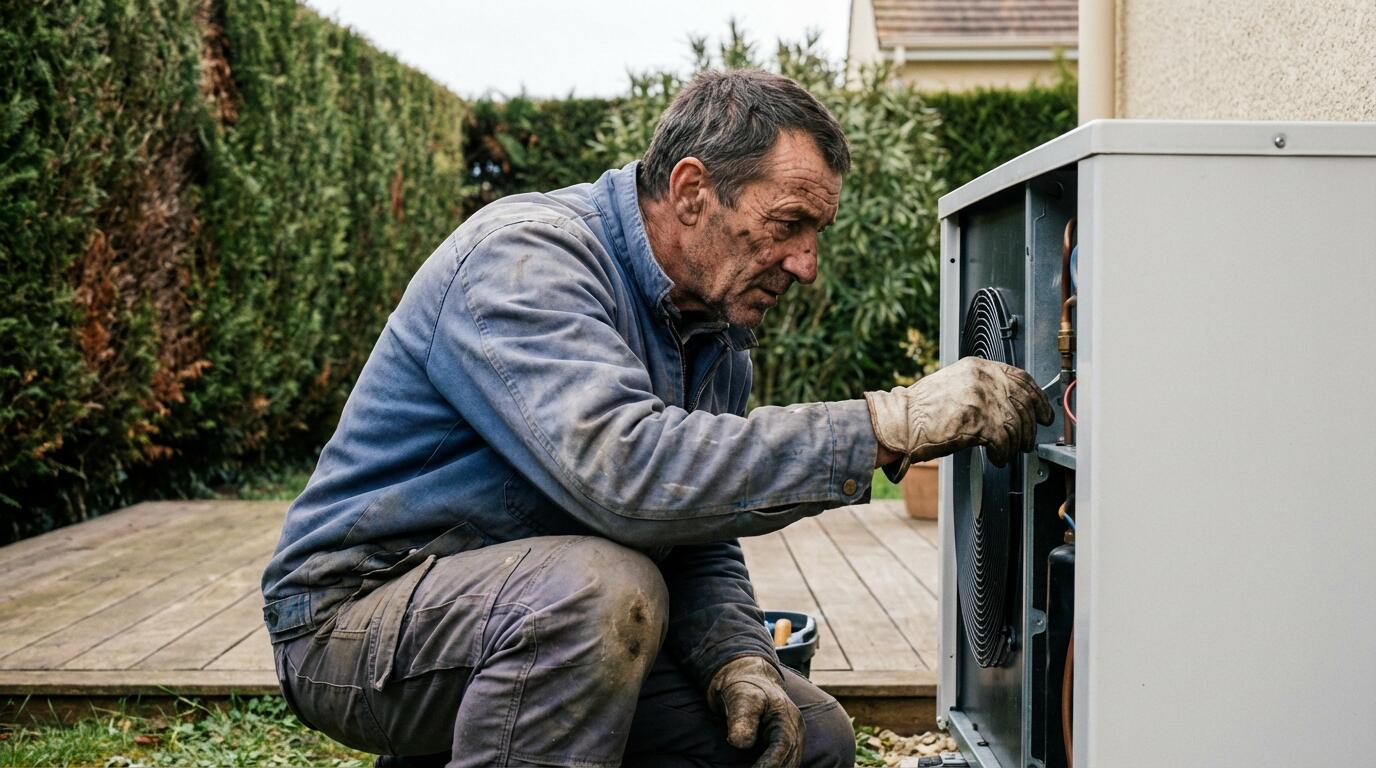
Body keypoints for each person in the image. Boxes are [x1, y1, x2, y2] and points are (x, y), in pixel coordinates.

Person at [260, 69, 1051, 768]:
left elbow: (692, 529)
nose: (807, 264)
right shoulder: (525, 262)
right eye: (789, 225)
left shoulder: (715, 336)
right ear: (691, 189)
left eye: (818, 234)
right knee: (598, 590)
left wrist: (733, 658)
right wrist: (889, 422)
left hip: (536, 616)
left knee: (809, 736)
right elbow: (629, 477)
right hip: (354, 623)